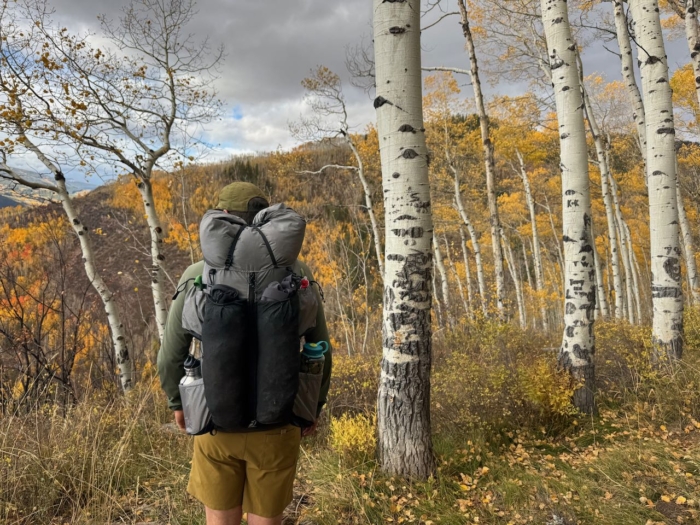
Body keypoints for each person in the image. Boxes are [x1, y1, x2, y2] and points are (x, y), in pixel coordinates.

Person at [157, 181, 332, 525]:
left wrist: (179, 405)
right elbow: (320, 348)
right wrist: (314, 406)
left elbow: (171, 354)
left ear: (223, 219)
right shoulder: (299, 275)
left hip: (215, 420)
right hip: (279, 420)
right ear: (267, 219)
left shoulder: (198, 274)